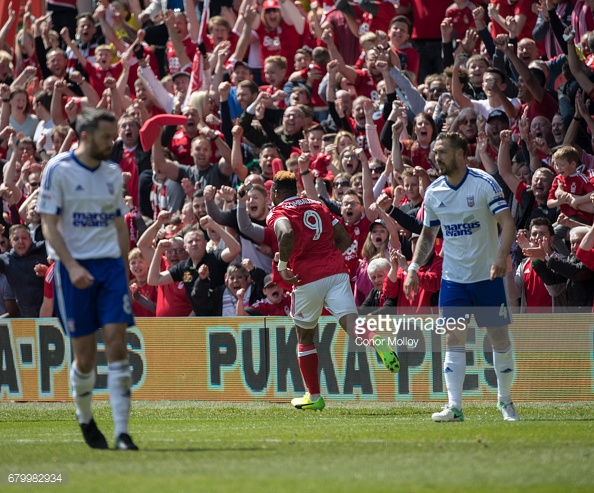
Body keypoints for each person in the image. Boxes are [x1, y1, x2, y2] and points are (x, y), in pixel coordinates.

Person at [37, 108, 138, 450]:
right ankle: (85, 418)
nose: (113, 143)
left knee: (117, 344)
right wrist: (71, 265)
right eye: (107, 136)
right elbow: (48, 224)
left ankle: (123, 433)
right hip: (73, 267)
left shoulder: (112, 173)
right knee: (85, 357)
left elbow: (120, 225)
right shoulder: (59, 169)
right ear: (85, 135)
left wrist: (123, 271)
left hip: (109, 267)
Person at [403, 132, 519, 422]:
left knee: (499, 339)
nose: (436, 157)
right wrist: (414, 268)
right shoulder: (434, 192)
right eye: (435, 152)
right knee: (453, 340)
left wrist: (501, 257)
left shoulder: (484, 184)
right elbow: (428, 234)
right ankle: (454, 407)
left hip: (486, 278)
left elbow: (508, 224)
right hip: (453, 280)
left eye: (442, 152)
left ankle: (505, 401)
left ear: (459, 154)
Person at [266, 171, 399, 411]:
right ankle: (376, 339)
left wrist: (284, 266)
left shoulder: (278, 211)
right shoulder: (317, 205)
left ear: (276, 193)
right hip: (336, 271)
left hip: (306, 277)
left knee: (305, 337)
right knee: (351, 324)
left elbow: (285, 233)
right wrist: (325, 254)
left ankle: (314, 396)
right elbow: (345, 240)